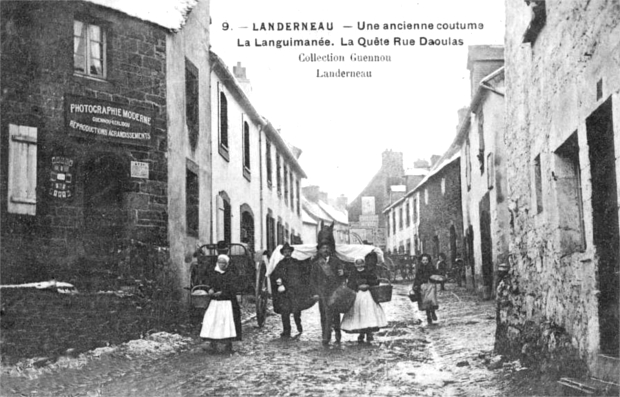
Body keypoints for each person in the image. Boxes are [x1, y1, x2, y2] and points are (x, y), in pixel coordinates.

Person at [270, 242, 315, 338]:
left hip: (295, 291)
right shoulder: (280, 264)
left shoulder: (296, 262)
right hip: (285, 292)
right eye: (285, 252)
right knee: (284, 312)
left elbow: (304, 272)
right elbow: (275, 274)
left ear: (291, 252)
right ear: (283, 253)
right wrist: (278, 280)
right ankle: (286, 331)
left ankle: (299, 326)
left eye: (288, 252)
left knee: (296, 310)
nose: (287, 253)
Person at [199, 254, 242, 353]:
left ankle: (228, 344)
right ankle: (212, 343)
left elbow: (233, 287)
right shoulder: (214, 273)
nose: (222, 265)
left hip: (227, 302)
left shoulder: (230, 274)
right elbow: (211, 284)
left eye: (224, 263)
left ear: (227, 264)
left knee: (227, 322)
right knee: (213, 321)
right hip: (216, 302)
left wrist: (223, 293)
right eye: (220, 262)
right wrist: (210, 289)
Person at [341, 257, 387, 343]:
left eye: (361, 263)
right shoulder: (353, 273)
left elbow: (375, 281)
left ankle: (369, 333)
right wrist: (357, 286)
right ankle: (361, 333)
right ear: (355, 264)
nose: (359, 265)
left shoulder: (368, 272)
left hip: (368, 295)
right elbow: (350, 284)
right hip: (358, 295)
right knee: (359, 314)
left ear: (364, 263)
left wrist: (368, 285)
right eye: (357, 263)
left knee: (368, 313)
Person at [310, 240, 347, 346]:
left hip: (334, 291)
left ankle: (337, 333)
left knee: (335, 314)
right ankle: (325, 336)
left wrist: (343, 273)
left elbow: (344, 274)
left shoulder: (336, 261)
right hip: (322, 293)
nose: (325, 250)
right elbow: (312, 280)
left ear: (330, 250)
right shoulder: (316, 264)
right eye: (323, 248)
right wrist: (315, 293)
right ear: (320, 250)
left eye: (327, 248)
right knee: (324, 314)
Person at [412, 253, 440, 325]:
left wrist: (436, 277)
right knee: (426, 302)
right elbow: (417, 278)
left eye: (426, 260)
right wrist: (415, 285)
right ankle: (428, 316)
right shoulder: (419, 268)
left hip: (431, 285)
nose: (425, 261)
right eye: (423, 260)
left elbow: (436, 275)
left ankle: (433, 312)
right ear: (421, 261)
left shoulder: (432, 267)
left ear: (428, 260)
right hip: (423, 286)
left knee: (432, 300)